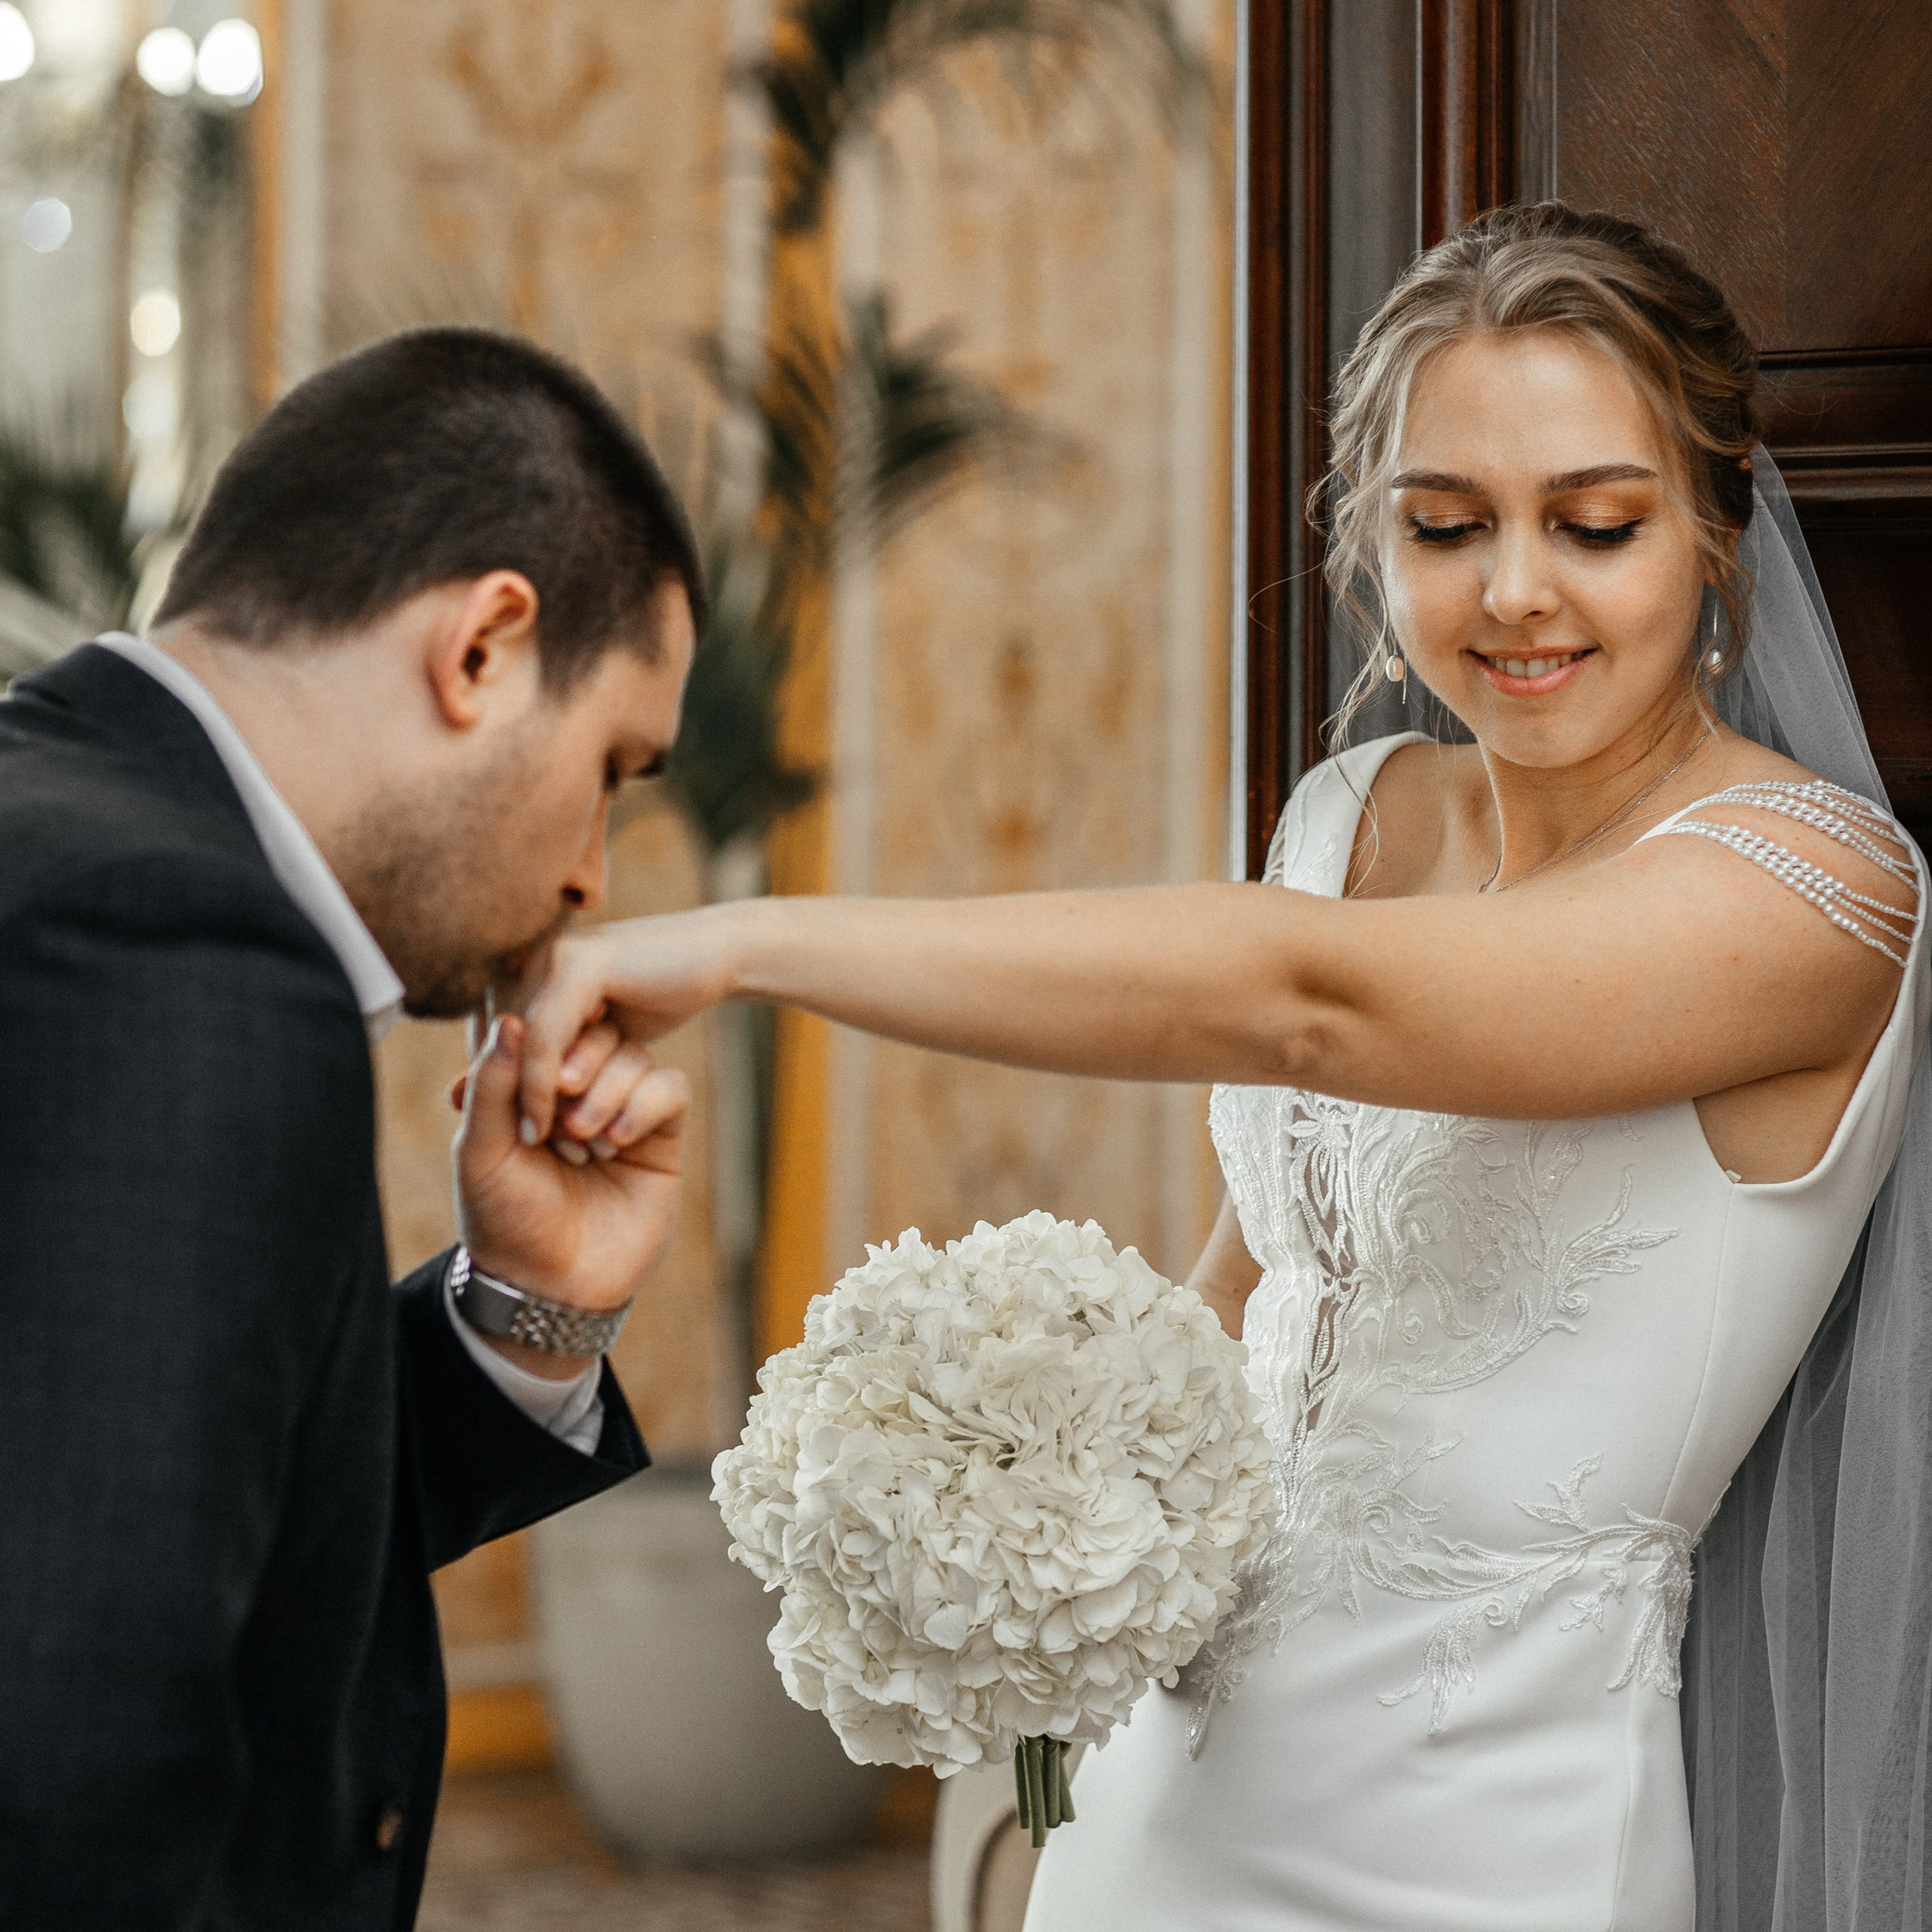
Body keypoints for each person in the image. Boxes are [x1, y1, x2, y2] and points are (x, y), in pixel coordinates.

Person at [505, 205, 1930, 1928]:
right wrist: (1008, 1510)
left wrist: (743, 946)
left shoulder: (1811, 890)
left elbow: (1309, 1003)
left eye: (1595, 522)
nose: (1513, 589)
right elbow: (1257, 1282)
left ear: (1709, 530)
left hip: (1488, 1838)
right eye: (1444, 523)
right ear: (1368, 539)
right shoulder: (1346, 815)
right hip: (1160, 1805)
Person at [0, 328, 703, 1927]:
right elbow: (68, 1737)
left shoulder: (55, 832)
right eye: (612, 767)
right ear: (483, 649)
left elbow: (158, 1494)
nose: (592, 867)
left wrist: (526, 1304)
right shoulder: (178, 947)